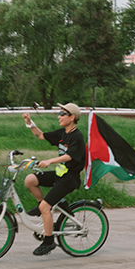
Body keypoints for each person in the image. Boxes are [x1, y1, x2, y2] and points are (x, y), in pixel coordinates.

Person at [21, 104, 86, 256]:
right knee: (30, 180)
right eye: (59, 113)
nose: (59, 116)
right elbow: (41, 135)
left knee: (45, 207)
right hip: (60, 173)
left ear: (71, 118)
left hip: (70, 178)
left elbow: (70, 156)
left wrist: (50, 161)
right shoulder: (62, 133)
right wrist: (29, 122)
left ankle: (49, 241)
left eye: (62, 113)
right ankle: (44, 208)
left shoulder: (77, 136)